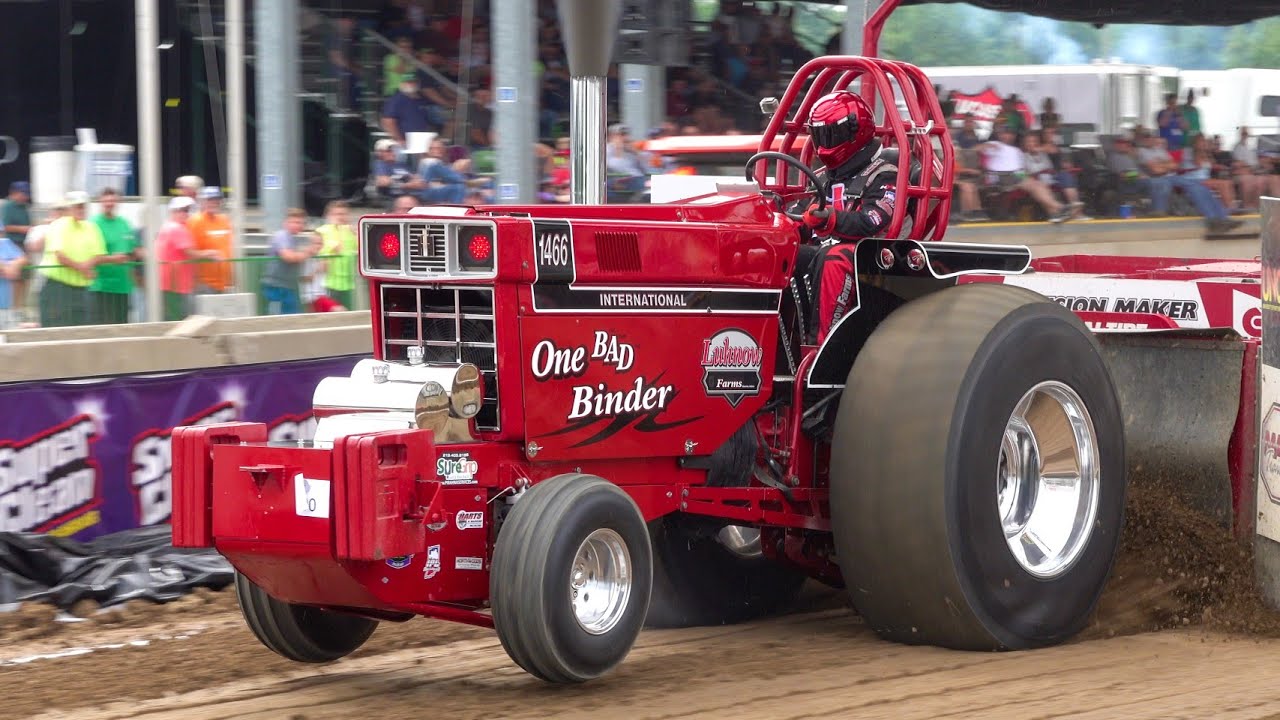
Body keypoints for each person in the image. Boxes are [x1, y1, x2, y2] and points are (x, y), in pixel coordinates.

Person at [793, 91, 901, 344]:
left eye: (830, 135)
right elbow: (799, 218)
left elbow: (873, 220)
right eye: (819, 135)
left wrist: (830, 218)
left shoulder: (884, 174)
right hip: (824, 254)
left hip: (874, 256)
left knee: (835, 257)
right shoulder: (822, 177)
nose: (824, 143)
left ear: (854, 132)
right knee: (781, 252)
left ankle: (821, 348)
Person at [37, 191, 106, 327]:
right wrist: (83, 269)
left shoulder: (92, 227)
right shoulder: (59, 225)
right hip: (58, 287)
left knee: (81, 329)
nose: (81, 209)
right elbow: (60, 256)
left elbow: (99, 254)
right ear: (69, 208)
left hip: (82, 288)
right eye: (77, 206)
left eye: (83, 206)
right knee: (56, 329)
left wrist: (85, 267)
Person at [88, 188, 141, 324]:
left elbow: (133, 250)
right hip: (101, 286)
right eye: (106, 201)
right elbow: (89, 255)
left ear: (118, 202)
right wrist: (113, 259)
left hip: (123, 286)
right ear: (100, 202)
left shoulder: (124, 223)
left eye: (113, 200)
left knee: (121, 327)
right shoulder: (93, 224)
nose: (109, 204)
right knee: (102, 329)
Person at [261, 207, 321, 315]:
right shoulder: (281, 236)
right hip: (276, 287)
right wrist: (307, 253)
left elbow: (296, 256)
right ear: (286, 222)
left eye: (301, 223)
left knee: (293, 318)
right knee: (277, 320)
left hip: (287, 286)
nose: (298, 225)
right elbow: (288, 257)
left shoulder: (293, 239)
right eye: (295, 222)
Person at [188, 186, 234, 294]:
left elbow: (228, 248)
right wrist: (207, 254)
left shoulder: (224, 220)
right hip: (204, 283)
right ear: (202, 202)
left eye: (217, 199)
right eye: (210, 200)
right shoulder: (195, 221)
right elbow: (188, 252)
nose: (214, 202)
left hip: (224, 282)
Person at [315, 200, 358, 308]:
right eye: (337, 214)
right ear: (329, 216)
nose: (341, 217)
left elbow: (359, 250)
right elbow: (320, 251)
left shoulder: (351, 231)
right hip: (329, 284)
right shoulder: (321, 231)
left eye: (344, 214)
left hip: (350, 284)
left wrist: (357, 234)